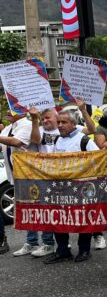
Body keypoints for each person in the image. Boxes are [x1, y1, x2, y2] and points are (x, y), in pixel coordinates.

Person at [28, 108, 100, 264]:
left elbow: (98, 159)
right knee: (58, 218)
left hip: (80, 188)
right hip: (60, 188)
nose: (59, 125)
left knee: (82, 219)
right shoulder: (57, 140)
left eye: (63, 122)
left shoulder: (84, 140)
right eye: (58, 122)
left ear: (73, 123)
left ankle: (84, 250)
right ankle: (63, 251)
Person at [17, 107, 60, 257]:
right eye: (43, 118)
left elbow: (91, 129)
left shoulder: (65, 129)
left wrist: (83, 109)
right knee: (33, 207)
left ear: (57, 117)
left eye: (48, 117)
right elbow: (35, 140)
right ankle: (32, 242)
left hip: (60, 177)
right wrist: (36, 119)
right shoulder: (39, 130)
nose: (45, 120)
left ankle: (51, 243)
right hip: (38, 175)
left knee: (51, 210)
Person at [0, 109, 33, 254]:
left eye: (12, 108)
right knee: (25, 210)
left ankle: (47, 242)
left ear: (22, 112)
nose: (8, 110)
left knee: (35, 209)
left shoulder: (27, 124)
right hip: (15, 176)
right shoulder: (8, 128)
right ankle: (31, 242)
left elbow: (16, 141)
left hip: (29, 175)